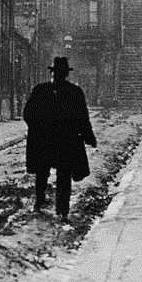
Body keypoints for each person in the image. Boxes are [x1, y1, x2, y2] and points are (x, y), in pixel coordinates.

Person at [22, 57, 97, 223]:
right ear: (65, 75)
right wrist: (89, 137)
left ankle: (40, 202)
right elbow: (83, 119)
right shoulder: (74, 92)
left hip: (44, 140)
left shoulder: (40, 90)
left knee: (42, 172)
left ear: (53, 73)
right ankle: (62, 209)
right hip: (65, 142)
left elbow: (27, 113)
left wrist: (37, 129)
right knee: (64, 175)